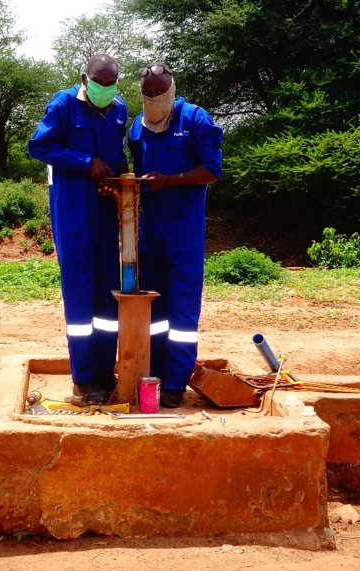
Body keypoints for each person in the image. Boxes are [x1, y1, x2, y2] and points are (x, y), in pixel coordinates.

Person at [27, 54, 128, 406]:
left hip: (103, 210)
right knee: (81, 298)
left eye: (111, 82)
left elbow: (118, 155)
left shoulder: (119, 109)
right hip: (72, 211)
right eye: (99, 82)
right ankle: (85, 379)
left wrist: (120, 177)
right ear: (85, 78)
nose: (105, 88)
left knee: (107, 295)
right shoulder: (64, 104)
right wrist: (86, 163)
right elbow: (39, 146)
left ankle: (105, 371)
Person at [128, 63, 223, 409]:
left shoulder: (195, 118)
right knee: (153, 308)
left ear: (171, 87)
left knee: (182, 310)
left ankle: (175, 382)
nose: (154, 97)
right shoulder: (137, 127)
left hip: (184, 232)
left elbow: (212, 170)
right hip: (149, 231)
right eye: (148, 92)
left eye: (160, 90)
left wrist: (172, 179)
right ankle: (151, 374)